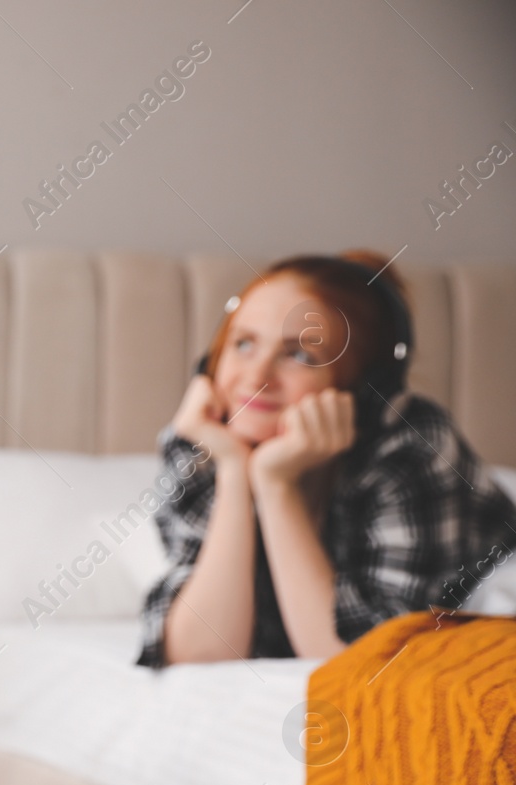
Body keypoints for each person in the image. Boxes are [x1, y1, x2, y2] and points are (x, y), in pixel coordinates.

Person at [138, 250, 516, 666]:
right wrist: (233, 471)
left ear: (361, 391)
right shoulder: (203, 440)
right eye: (243, 343)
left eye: (300, 355)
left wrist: (276, 486)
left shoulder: (412, 446)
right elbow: (200, 652)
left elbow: (361, 660)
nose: (256, 377)